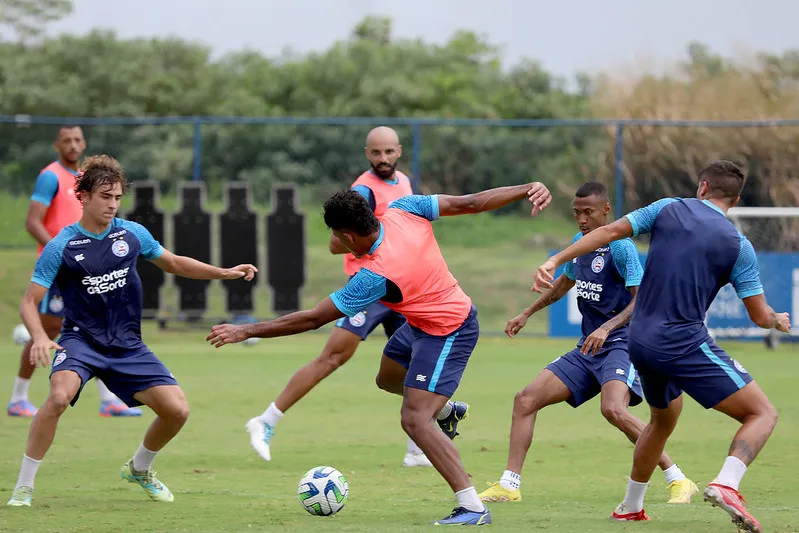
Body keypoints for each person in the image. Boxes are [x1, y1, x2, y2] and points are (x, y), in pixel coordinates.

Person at [207, 182, 553, 526]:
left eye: (337, 238)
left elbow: (314, 318)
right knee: (387, 378)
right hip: (419, 325)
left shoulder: (374, 275)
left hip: (450, 329)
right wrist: (527, 189)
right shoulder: (405, 208)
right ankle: (446, 410)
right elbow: (473, 201)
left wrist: (246, 329)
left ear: (347, 236)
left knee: (415, 419)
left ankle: (472, 506)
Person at [533, 161, 790, 532]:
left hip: (638, 341)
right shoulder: (738, 245)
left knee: (662, 420)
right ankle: (726, 484)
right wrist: (777, 320)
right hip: (682, 341)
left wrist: (556, 258)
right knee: (763, 414)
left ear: (702, 187)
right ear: (734, 201)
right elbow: (759, 316)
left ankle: (630, 506)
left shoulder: (667, 207)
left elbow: (608, 233)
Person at [6, 156, 257, 507]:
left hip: (127, 346)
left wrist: (224, 273)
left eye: (117, 197)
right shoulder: (61, 246)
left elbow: (173, 263)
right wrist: (41, 337)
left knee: (177, 411)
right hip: (81, 341)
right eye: (105, 196)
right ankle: (24, 486)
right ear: (84, 196)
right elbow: (29, 303)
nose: (112, 204)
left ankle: (139, 469)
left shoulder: (132, 234)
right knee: (59, 397)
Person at [246, 126, 468, 468]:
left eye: (389, 152)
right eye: (377, 153)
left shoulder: (404, 183)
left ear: (399, 151)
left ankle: (417, 447)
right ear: (367, 153)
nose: (383, 159)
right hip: (370, 289)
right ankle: (267, 420)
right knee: (332, 357)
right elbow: (338, 243)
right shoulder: (363, 190)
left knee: (411, 366)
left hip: (406, 291)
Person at [479, 181, 696, 505]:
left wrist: (607, 328)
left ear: (606, 210)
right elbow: (565, 282)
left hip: (622, 343)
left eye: (588, 212)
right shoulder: (579, 244)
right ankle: (510, 485)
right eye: (577, 212)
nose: (581, 219)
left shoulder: (620, 247)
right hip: (588, 348)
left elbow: (642, 301)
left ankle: (678, 478)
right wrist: (527, 312)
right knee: (525, 399)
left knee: (612, 409)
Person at [8, 125, 141, 418]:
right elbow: (33, 222)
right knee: (48, 328)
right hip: (61, 268)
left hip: (89, 266)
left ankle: (109, 399)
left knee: (97, 324)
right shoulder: (50, 176)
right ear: (57, 145)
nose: (72, 144)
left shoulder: (85, 180)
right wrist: (63, 255)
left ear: (84, 144)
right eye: (66, 140)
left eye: (77, 140)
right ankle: (18, 397)